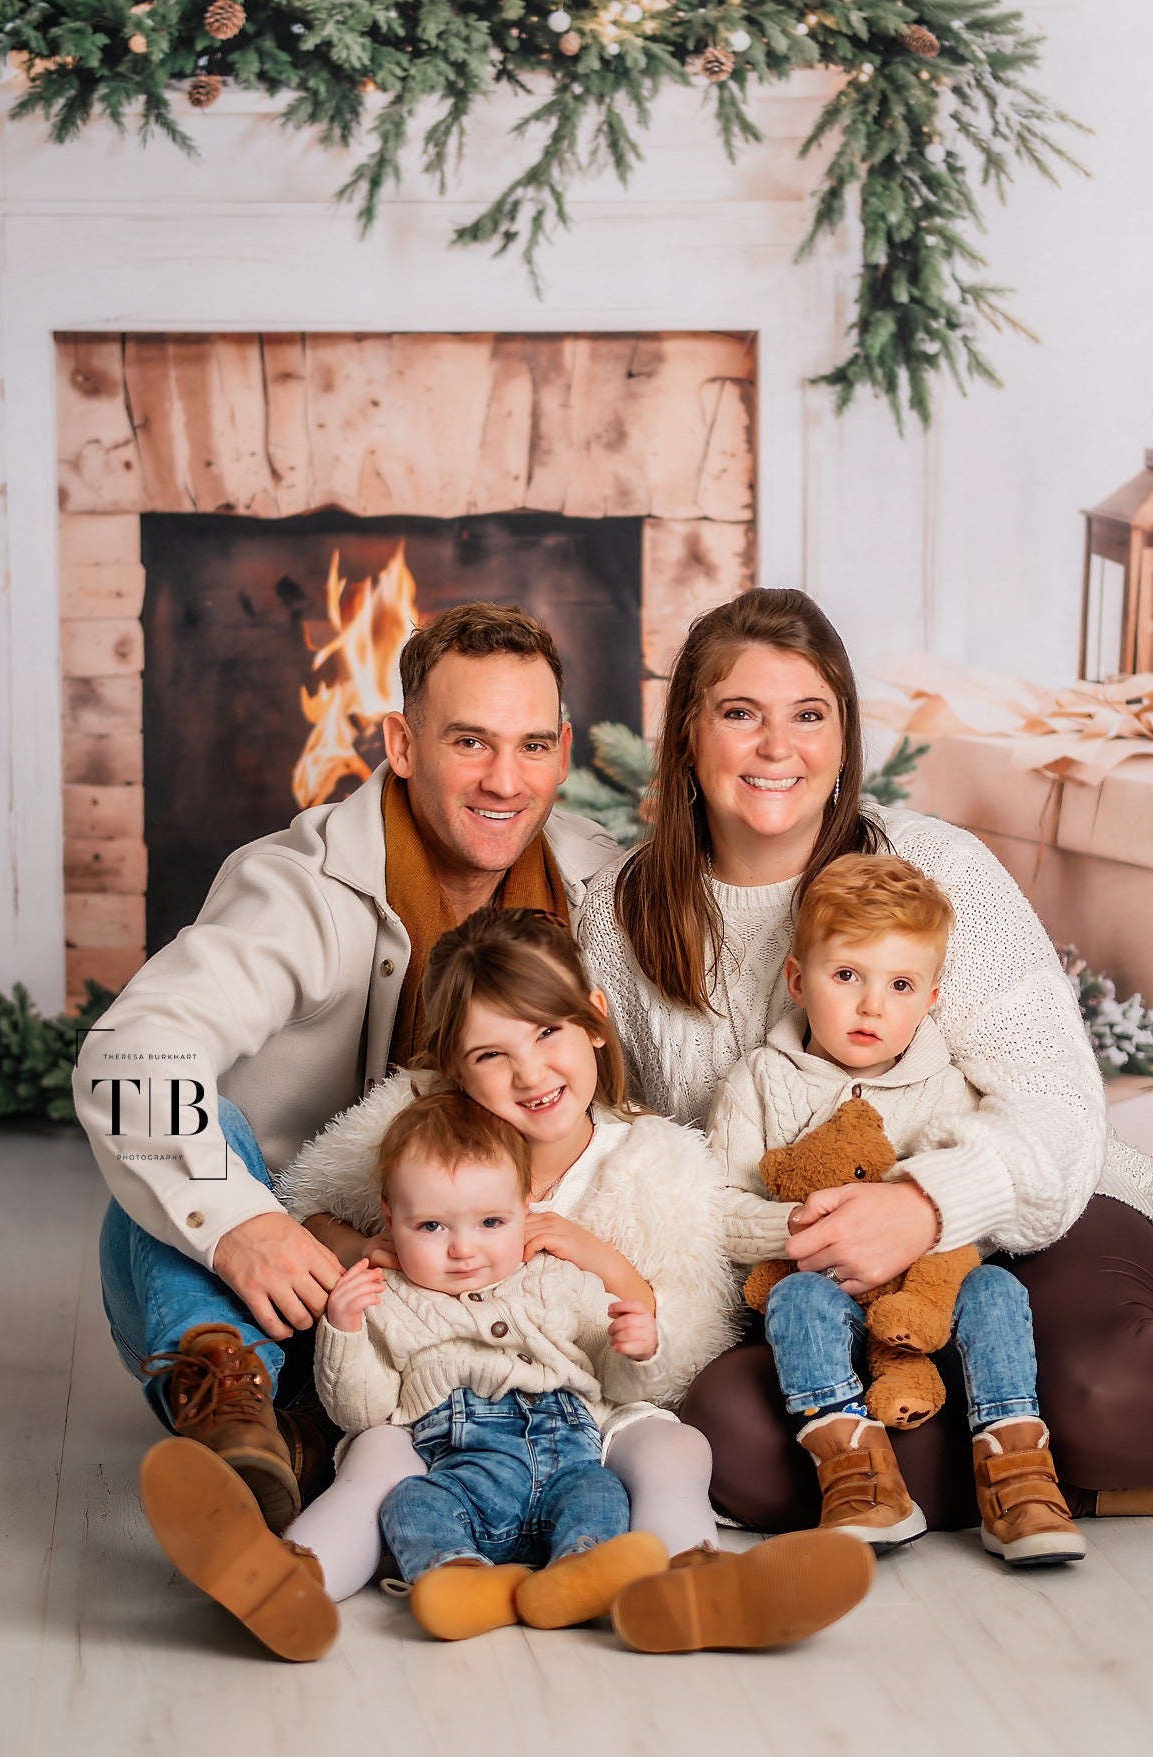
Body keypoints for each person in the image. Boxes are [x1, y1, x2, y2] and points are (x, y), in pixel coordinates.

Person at [577, 586, 1153, 1534]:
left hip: (1029, 1229)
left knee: (1094, 1388)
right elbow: (624, 1152)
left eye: (808, 716)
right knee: (735, 1444)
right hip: (813, 1281)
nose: (778, 749)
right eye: (741, 714)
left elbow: (1058, 1106)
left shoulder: (932, 869)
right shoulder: (616, 916)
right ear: (689, 736)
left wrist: (923, 1205)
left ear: (844, 739)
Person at [77, 604, 616, 1531]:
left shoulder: (595, 880)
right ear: (402, 744)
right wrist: (242, 1226)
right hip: (284, 1287)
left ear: (564, 752)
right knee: (203, 1151)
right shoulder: (297, 887)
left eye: (532, 746)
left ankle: (310, 1459)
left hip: (483, 1283)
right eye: (469, 742)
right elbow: (129, 1059)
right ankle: (239, 1417)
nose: (504, 780)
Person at [276, 905, 872, 1651]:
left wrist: (616, 1279)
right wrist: (370, 1247)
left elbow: (684, 1334)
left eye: (546, 1032)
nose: (530, 1074)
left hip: (588, 1405)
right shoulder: (424, 1124)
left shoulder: (655, 1160)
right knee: (371, 1459)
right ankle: (290, 1579)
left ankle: (689, 1586)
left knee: (675, 1450)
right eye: (490, 1056)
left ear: (593, 1020)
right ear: (454, 1069)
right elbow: (304, 1204)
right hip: (437, 1412)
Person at [140, 1088, 673, 1656]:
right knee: (408, 1505)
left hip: (568, 1465)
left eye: (492, 1222)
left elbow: (617, 1387)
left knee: (601, 1492)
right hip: (461, 1477)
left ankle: (579, 1571)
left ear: (527, 1210)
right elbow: (362, 1413)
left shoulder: (559, 1280)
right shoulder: (385, 1297)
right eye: (432, 1228)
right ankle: (454, 1578)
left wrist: (637, 1350)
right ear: (391, 1219)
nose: (464, 1249)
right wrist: (343, 1329)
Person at [708, 854, 1085, 1565]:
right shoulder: (759, 1079)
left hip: (925, 1300)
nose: (871, 1006)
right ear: (797, 979)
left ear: (930, 997)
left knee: (996, 1288)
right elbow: (718, 1209)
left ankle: (1017, 1470)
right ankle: (857, 1473)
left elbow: (966, 1215)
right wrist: (794, 1227)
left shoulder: (943, 1088)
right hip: (830, 1296)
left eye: (900, 985)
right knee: (794, 1301)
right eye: (846, 975)